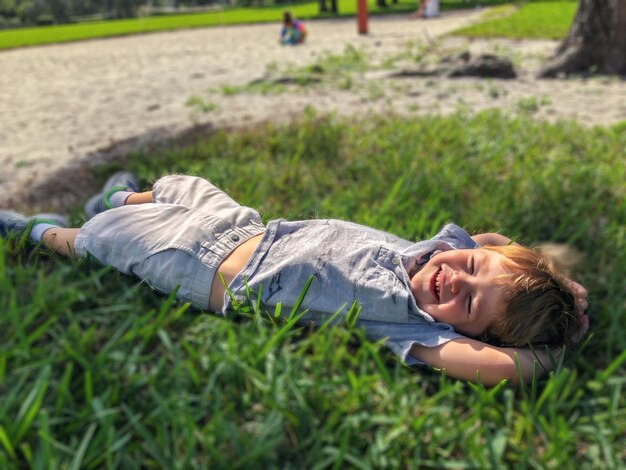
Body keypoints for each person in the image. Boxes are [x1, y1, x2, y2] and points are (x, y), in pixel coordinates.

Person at [0, 172, 589, 386]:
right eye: (475, 271)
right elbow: (493, 247)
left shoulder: (410, 327)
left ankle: (40, 233)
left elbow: (513, 367)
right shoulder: (438, 253)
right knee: (183, 183)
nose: (458, 282)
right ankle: (125, 192)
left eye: (472, 306)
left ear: (472, 336)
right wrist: (555, 281)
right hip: (242, 224)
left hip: (197, 265)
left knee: (104, 238)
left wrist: (557, 344)